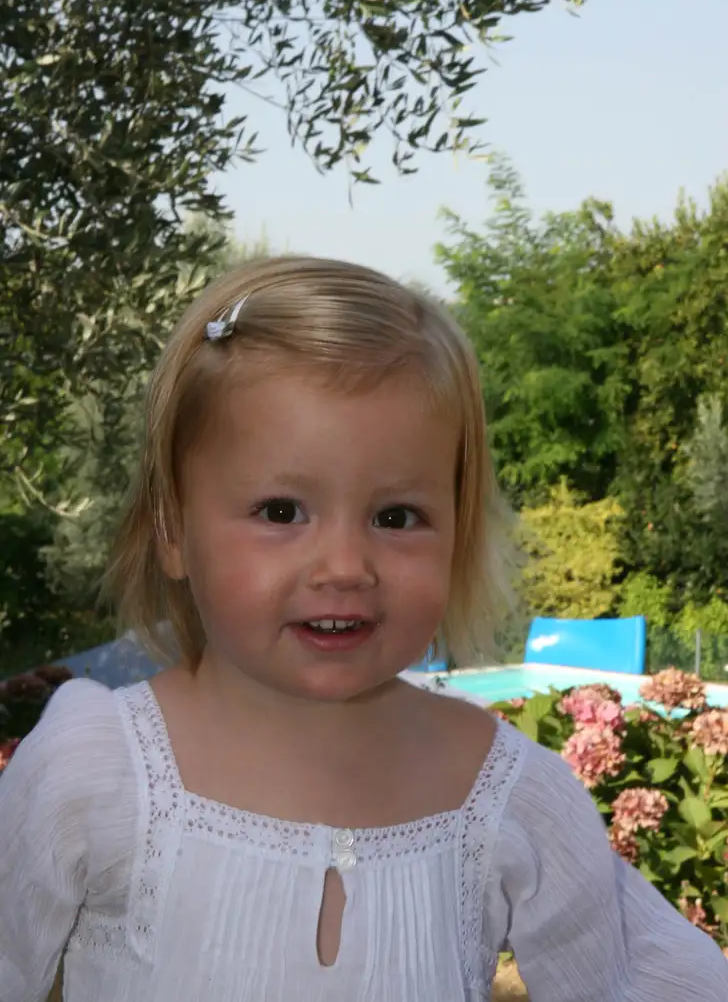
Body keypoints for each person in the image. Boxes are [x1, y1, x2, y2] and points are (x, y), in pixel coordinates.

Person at [0, 257, 726, 1002]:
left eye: (396, 516)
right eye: (281, 511)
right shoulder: (97, 770)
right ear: (172, 530)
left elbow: (654, 979)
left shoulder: (505, 794)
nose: (346, 566)